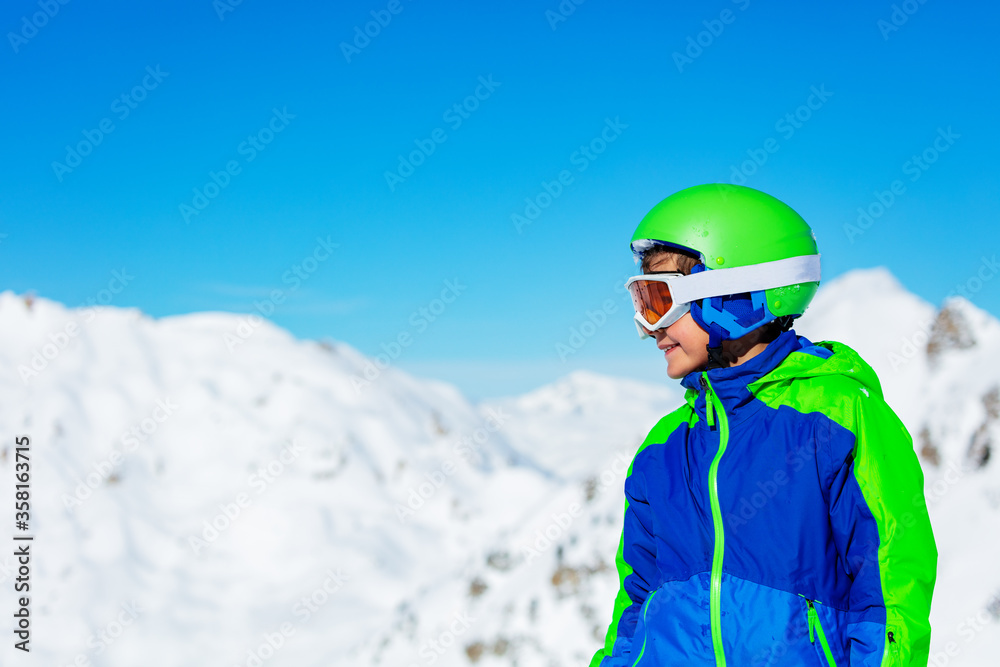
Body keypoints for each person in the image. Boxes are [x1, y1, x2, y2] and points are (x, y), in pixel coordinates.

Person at [590, 184, 937, 667]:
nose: (650, 326)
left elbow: (889, 585)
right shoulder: (664, 448)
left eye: (660, 299)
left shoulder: (835, 419)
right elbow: (637, 605)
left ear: (732, 298)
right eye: (643, 301)